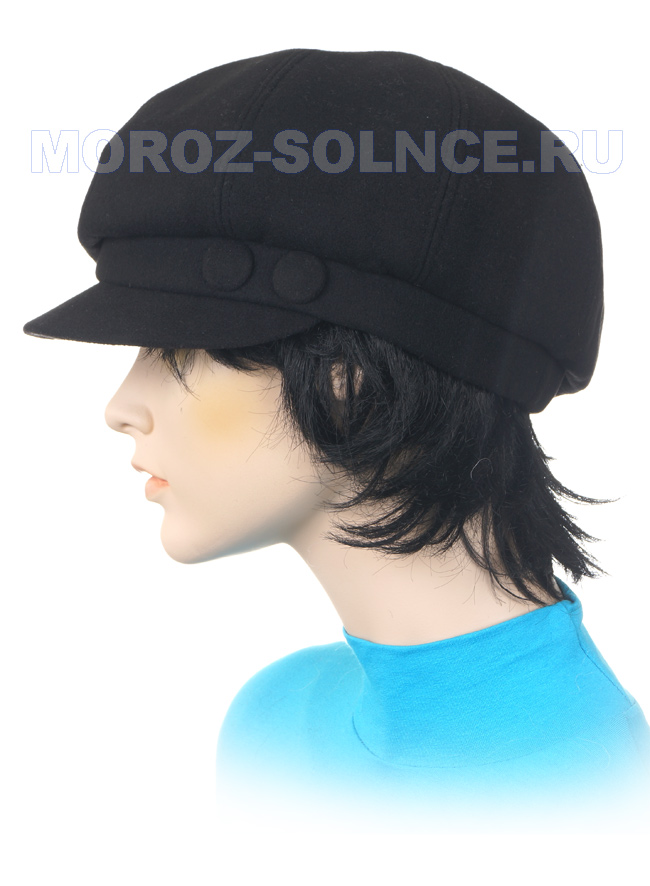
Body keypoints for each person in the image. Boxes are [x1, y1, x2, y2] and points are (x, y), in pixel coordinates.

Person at [23, 48, 650, 834]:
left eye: (177, 348)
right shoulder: (273, 720)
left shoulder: (583, 799)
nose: (121, 407)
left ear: (346, 379)